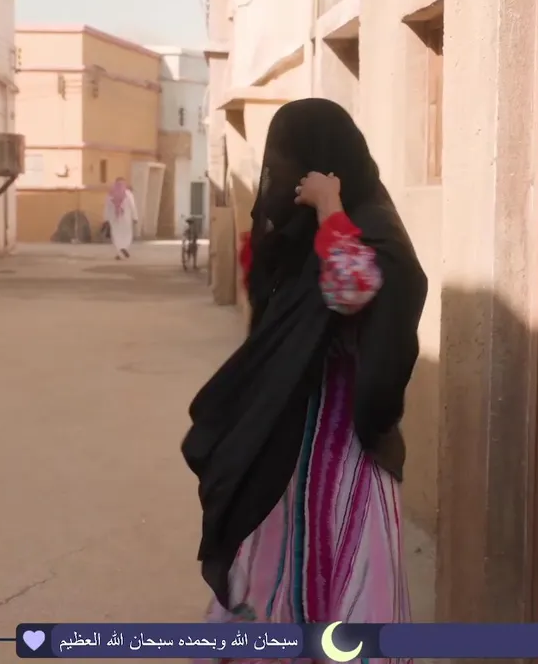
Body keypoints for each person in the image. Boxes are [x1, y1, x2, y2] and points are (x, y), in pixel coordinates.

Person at [184, 98, 427, 659]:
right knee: (278, 550)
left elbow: (350, 291)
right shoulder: (295, 232)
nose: (282, 177)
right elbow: (265, 296)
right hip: (289, 430)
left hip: (349, 438)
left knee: (348, 556)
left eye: (292, 160)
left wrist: (330, 210)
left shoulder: (371, 227)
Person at [104, 177, 138, 259]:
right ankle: (124, 248)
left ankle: (119, 252)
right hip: (126, 218)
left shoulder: (111, 194)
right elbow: (132, 206)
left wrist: (106, 219)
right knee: (127, 234)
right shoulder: (128, 194)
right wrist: (135, 217)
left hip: (114, 219)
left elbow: (107, 208)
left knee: (116, 235)